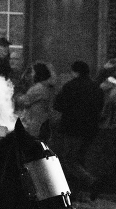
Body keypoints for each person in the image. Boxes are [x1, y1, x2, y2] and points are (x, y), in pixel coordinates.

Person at [51, 60, 104, 196]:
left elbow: (58, 105)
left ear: (74, 72)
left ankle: (91, 182)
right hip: (91, 129)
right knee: (80, 158)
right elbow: (100, 107)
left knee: (69, 159)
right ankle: (78, 191)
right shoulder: (96, 88)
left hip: (72, 128)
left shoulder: (70, 86)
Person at [15, 62, 55, 140]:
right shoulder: (46, 86)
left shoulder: (38, 88)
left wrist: (16, 97)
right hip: (43, 122)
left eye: (33, 72)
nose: (32, 74)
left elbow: (25, 101)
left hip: (36, 125)